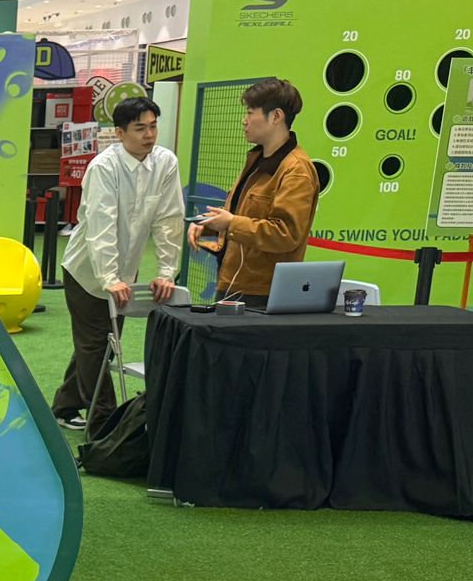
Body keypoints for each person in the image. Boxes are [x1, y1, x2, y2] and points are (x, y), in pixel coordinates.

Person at [52, 96, 184, 432]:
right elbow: (101, 226)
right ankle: (106, 425)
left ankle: (65, 404)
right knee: (96, 344)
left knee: (101, 343)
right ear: (120, 132)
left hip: (125, 271)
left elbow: (169, 219)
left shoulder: (166, 163)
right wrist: (109, 277)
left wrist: (166, 272)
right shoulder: (104, 167)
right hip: (86, 271)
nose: (149, 135)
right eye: (140, 128)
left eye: (153, 126)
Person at [192, 77, 319, 303]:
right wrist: (209, 225)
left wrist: (231, 223)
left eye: (250, 113)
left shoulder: (295, 170)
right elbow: (244, 216)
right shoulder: (257, 160)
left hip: (263, 293)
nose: (244, 120)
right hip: (233, 282)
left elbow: (285, 234)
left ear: (276, 116)